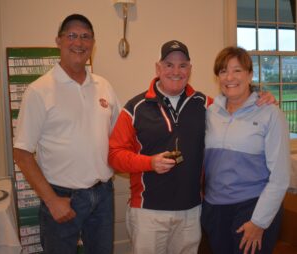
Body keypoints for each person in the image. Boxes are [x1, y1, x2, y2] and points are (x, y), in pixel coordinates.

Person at [108, 40, 275, 254]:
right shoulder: (134, 108)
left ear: (190, 69)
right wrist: (148, 162)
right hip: (148, 212)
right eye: (169, 65)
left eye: (183, 65)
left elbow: (239, 104)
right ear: (158, 68)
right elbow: (114, 155)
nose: (176, 71)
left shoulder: (209, 106)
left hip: (191, 211)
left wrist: (263, 99)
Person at [13, 14, 120, 254]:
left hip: (102, 194)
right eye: (71, 36)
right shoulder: (39, 91)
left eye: (85, 37)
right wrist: (52, 201)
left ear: (93, 43)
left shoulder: (104, 86)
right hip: (62, 198)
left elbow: (118, 138)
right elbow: (21, 153)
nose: (79, 43)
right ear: (58, 41)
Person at [201, 46, 290, 254]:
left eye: (237, 70)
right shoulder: (210, 112)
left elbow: (280, 177)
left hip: (253, 208)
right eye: (223, 71)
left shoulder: (270, 114)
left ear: (250, 74)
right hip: (215, 209)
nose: (229, 77)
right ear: (217, 77)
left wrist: (259, 222)